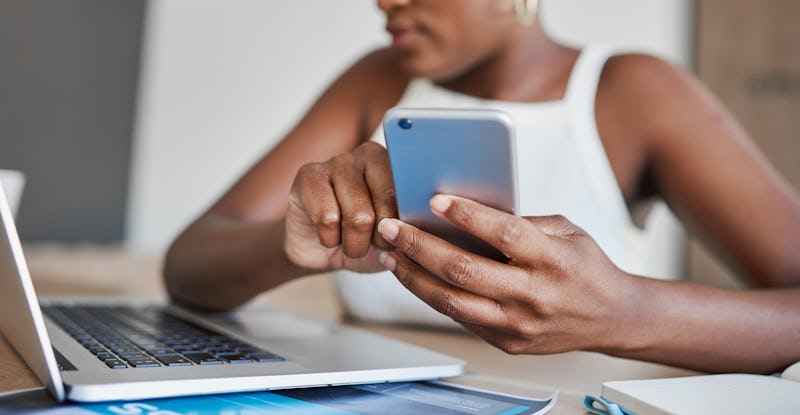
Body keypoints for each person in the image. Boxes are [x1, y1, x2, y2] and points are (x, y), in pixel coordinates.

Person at [163, 0, 800, 375]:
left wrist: (630, 314)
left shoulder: (636, 92)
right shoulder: (375, 83)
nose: (384, 0)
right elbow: (188, 265)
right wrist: (291, 246)